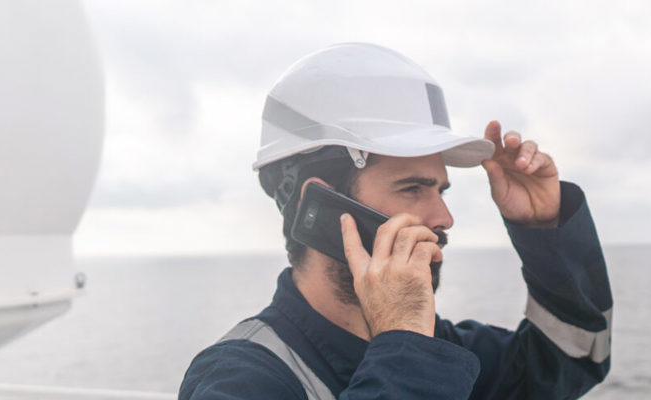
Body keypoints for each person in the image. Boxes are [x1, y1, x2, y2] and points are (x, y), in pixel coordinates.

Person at [179, 43, 612, 399]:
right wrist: (407, 348)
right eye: (412, 189)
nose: (444, 218)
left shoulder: (441, 350)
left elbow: (572, 359)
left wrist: (545, 231)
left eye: (441, 190)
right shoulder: (239, 379)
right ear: (321, 205)